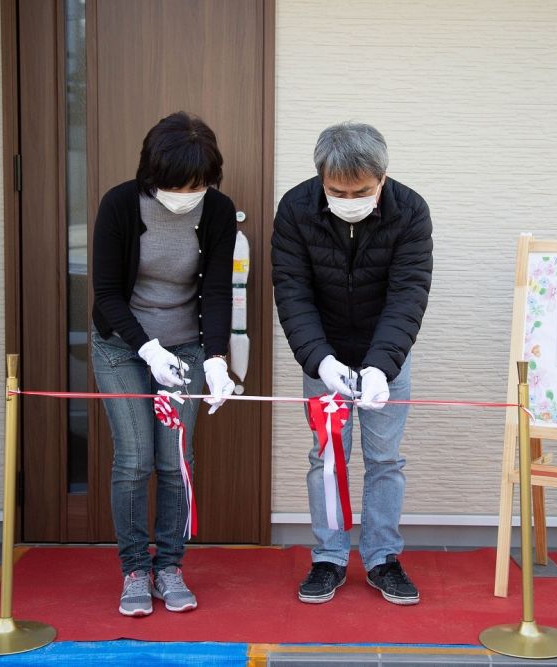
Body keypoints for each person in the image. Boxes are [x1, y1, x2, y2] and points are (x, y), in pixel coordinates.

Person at [271, 122, 433, 605]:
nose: (348, 197)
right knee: (327, 457)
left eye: (360, 191)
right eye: (336, 190)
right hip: (323, 354)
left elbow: (408, 294)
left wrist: (383, 365)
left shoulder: (411, 211)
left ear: (382, 178)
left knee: (385, 458)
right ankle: (329, 556)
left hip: (388, 353)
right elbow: (292, 292)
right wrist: (320, 361)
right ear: (320, 177)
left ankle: (383, 557)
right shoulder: (296, 209)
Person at [91, 111, 237, 617]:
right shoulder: (119, 204)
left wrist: (216, 358)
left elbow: (217, 292)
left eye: (197, 185)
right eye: (176, 185)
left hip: (187, 346)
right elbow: (107, 294)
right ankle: (135, 568)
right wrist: (147, 350)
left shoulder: (218, 211)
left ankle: (170, 566)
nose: (186, 194)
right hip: (121, 345)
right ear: (152, 174)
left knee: (175, 459)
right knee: (133, 458)